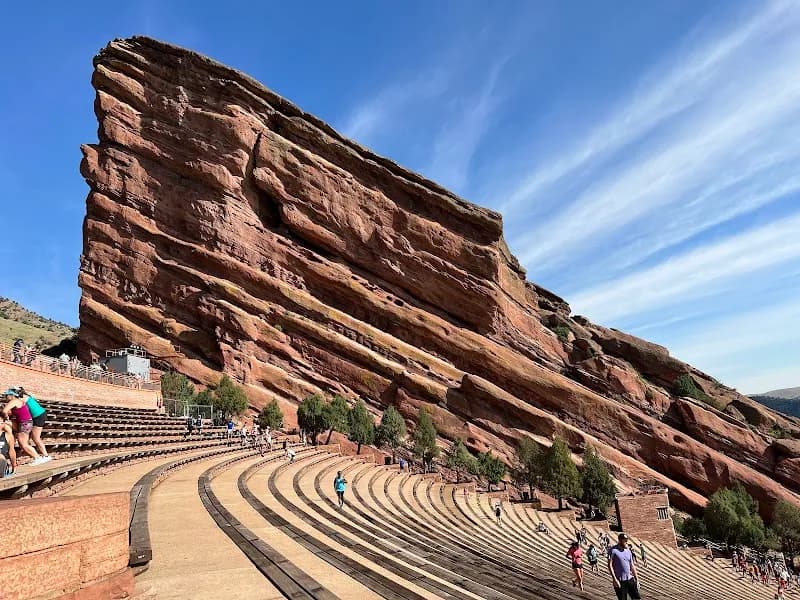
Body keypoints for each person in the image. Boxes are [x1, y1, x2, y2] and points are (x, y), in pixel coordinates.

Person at [2, 390, 42, 464]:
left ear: (11, 395)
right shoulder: (18, 401)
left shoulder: (14, 401)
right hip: (25, 422)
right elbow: (12, 412)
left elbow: (4, 411)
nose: (5, 397)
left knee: (23, 444)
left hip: (25, 423)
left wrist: (6, 417)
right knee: (22, 444)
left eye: (6, 395)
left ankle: (37, 457)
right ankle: (37, 457)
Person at [16, 387, 49, 460]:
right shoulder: (27, 396)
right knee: (32, 437)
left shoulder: (22, 398)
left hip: (38, 416)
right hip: (39, 415)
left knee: (36, 438)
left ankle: (46, 455)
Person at [608, 533, 640, 599]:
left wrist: (637, 579)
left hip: (630, 579)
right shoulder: (613, 550)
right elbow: (609, 565)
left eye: (626, 540)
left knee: (637, 598)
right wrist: (614, 579)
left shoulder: (628, 551)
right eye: (624, 540)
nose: (626, 542)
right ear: (620, 540)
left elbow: (632, 565)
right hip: (620, 580)